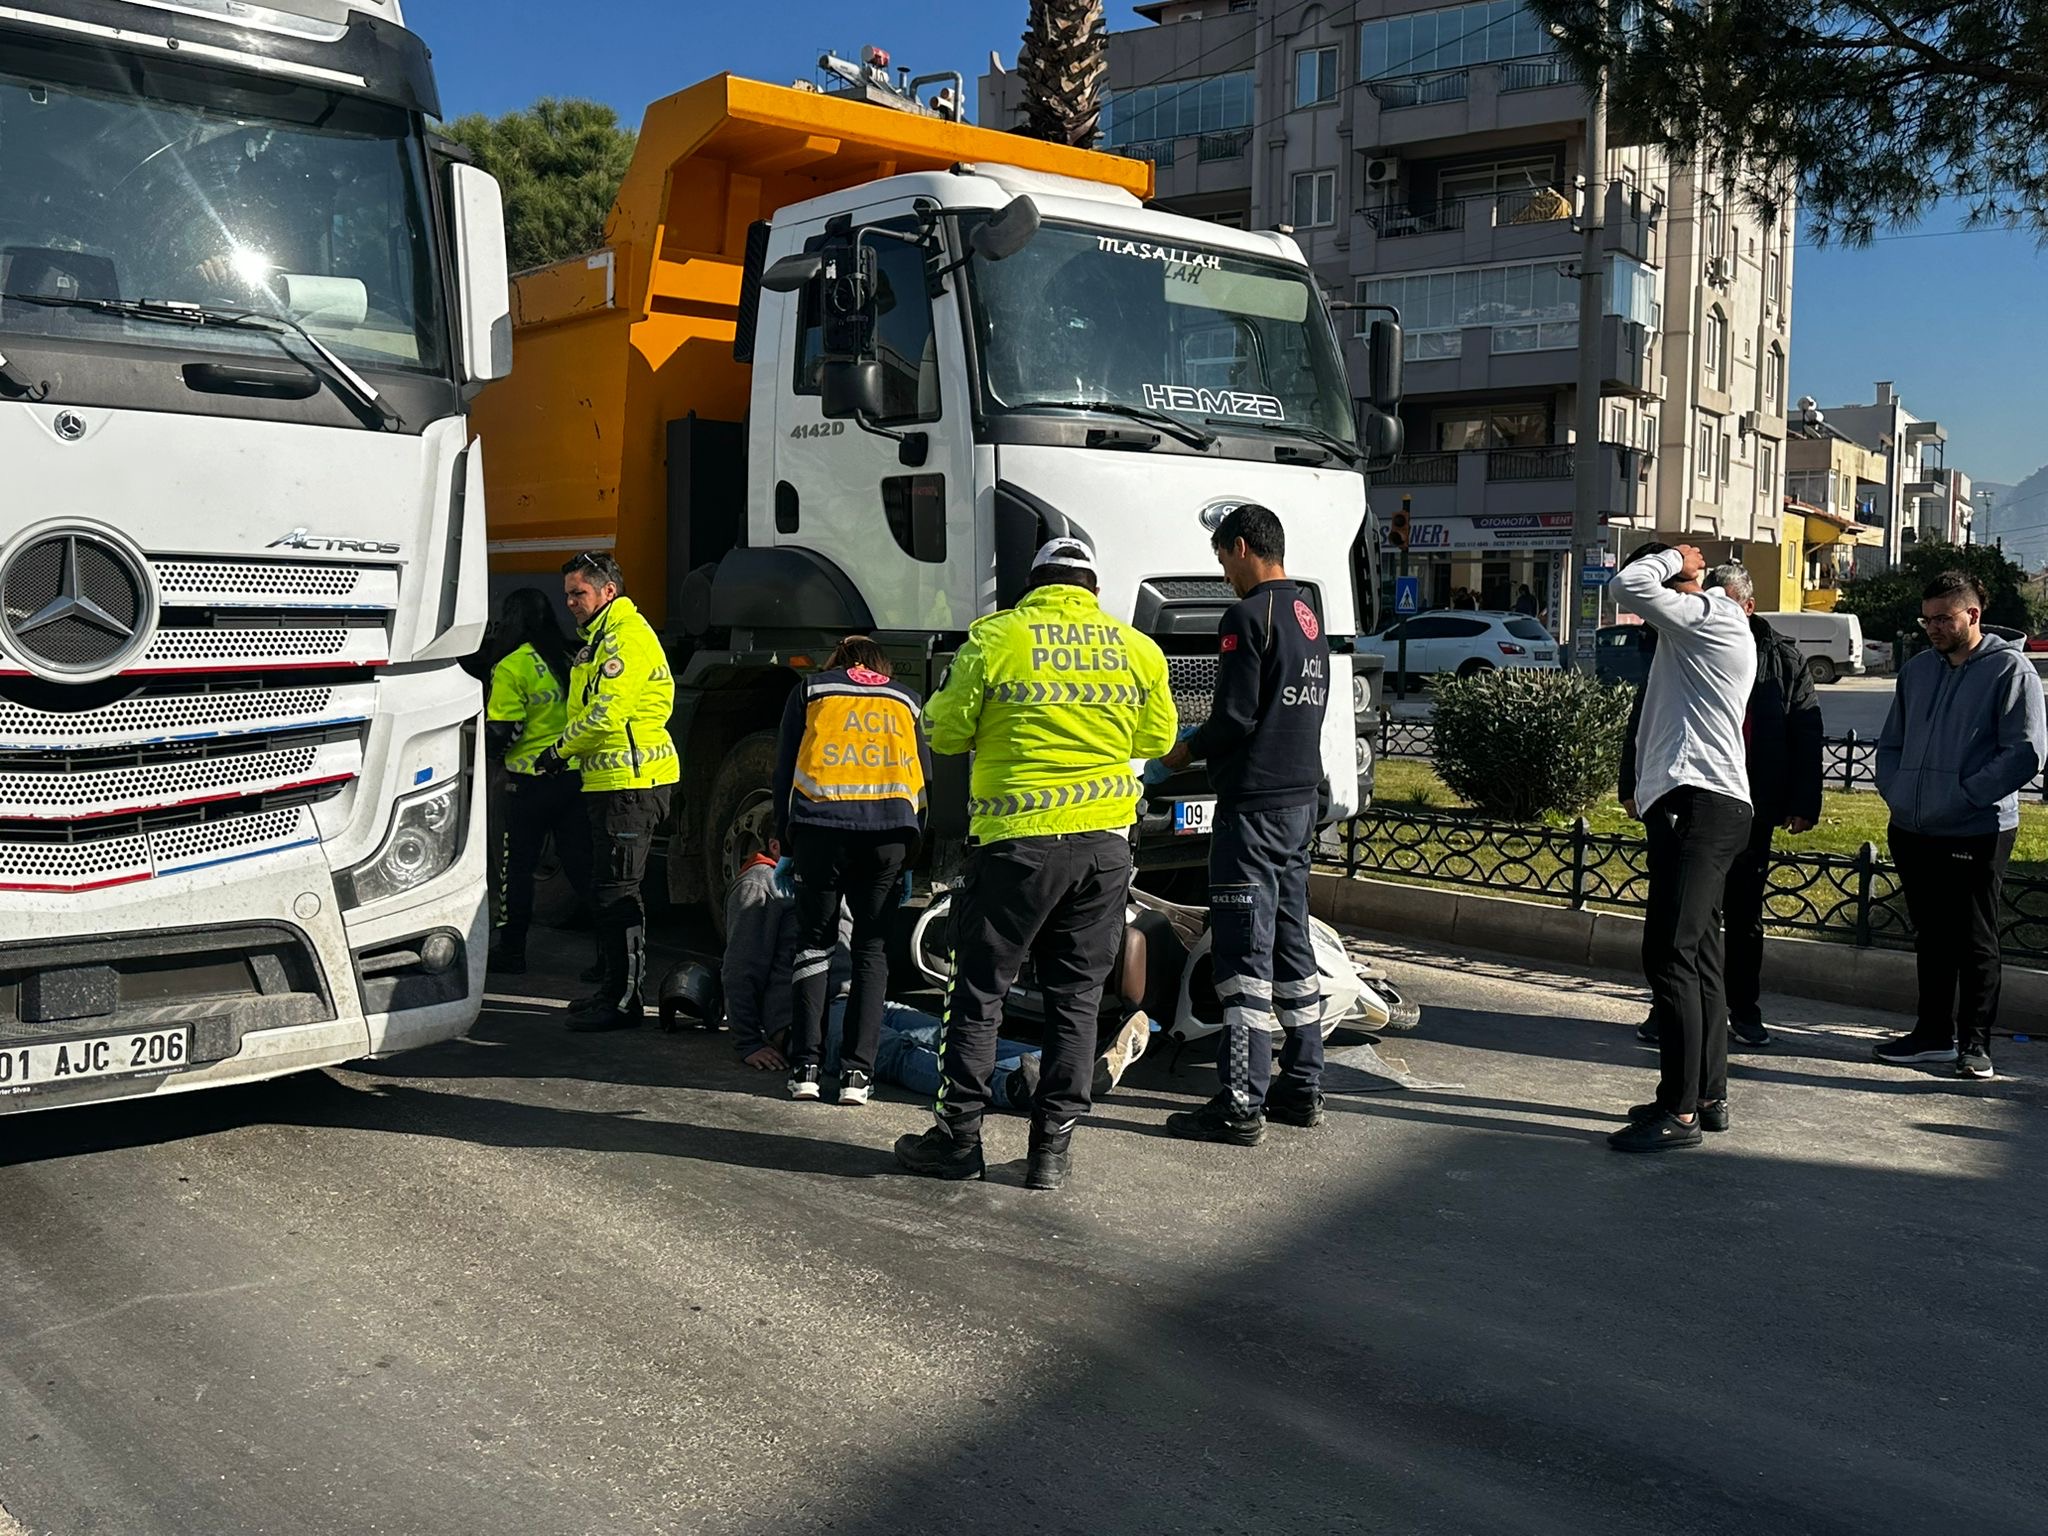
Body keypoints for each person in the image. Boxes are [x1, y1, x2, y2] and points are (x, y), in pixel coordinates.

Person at [894, 537, 1177, 1191]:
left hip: (1017, 847)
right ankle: (1051, 1152)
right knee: (1076, 1002)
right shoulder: (1135, 649)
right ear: (1093, 592)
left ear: (1032, 586)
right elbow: (1157, 738)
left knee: (978, 993)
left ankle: (958, 1141)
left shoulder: (997, 638)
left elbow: (946, 731)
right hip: (1105, 848)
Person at [1147, 502, 1330, 1146]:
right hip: (1299, 802)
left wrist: (1180, 754)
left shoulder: (1247, 616)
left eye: (1224, 557)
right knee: (1290, 945)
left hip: (1251, 809)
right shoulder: (1309, 615)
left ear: (1246, 547)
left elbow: (1234, 719)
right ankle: (1302, 1084)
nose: (1225, 572)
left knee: (1242, 957)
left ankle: (1239, 1103)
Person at [1620, 565, 1823, 1048]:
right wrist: (1631, 782)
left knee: (1743, 912)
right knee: (1683, 915)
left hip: (1748, 799)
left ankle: (1743, 1009)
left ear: (1747, 608)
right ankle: (1669, 1008)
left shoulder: (1782, 659)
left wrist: (1803, 801)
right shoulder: (1682, 641)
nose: (1707, 606)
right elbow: (1646, 715)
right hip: (1685, 798)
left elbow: (1805, 732)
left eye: (1722, 599)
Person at [1606, 542, 1756, 1153]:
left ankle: (1681, 1111)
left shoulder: (1714, 617)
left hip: (1698, 803)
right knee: (1700, 957)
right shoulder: (1706, 633)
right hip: (1708, 804)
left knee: (1671, 952)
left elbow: (1628, 586)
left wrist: (1677, 559)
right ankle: (1706, 1095)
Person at [1872, 571, 2047, 1080]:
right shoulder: (1919, 670)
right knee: (1931, 935)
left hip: (1977, 828)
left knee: (1974, 938)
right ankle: (1931, 1035)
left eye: (1943, 619)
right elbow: (1892, 743)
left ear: (1972, 614)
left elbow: (2025, 752)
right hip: (1913, 825)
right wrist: (1898, 791)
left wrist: (1963, 796)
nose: (1933, 629)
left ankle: (1974, 1043)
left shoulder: (2010, 670)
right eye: (1926, 620)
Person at [722, 835, 1043, 1109]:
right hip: (805, 1017)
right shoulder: (760, 883)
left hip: (856, 1001)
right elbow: (740, 967)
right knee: (897, 1051)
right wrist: (749, 1042)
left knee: (948, 1032)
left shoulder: (833, 873)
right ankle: (1009, 1088)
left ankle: (1059, 1067)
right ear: (778, 847)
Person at [771, 636, 932, 1106]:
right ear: (880, 666)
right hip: (889, 835)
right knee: (871, 950)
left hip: (821, 830)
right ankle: (857, 1075)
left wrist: (785, 840)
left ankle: (805, 1067)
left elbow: (784, 770)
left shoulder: (811, 691)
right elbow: (924, 777)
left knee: (814, 945)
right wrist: (911, 853)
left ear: (838, 662)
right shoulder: (906, 698)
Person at [534, 552, 678, 1032]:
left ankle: (623, 1000)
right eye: (568, 595)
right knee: (608, 889)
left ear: (607, 592)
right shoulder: (599, 641)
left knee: (619, 893)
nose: (571, 603)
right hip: (611, 784)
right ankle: (613, 990)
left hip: (631, 786)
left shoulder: (625, 639)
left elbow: (606, 715)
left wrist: (558, 752)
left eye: (580, 593)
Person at [484, 589, 591, 974]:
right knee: (582, 866)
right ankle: (608, 956)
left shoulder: (512, 666)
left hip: (526, 783)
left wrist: (493, 759)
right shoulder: (567, 659)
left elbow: (506, 730)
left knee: (516, 869)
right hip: (572, 777)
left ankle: (511, 950)